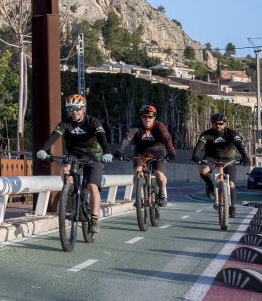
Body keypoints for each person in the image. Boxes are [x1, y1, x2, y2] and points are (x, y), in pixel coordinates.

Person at [36, 94, 112, 234]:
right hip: (73, 156)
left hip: (92, 157)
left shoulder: (93, 122)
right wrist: (42, 149)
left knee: (92, 186)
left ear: (83, 109)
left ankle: (94, 220)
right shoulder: (65, 123)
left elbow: (102, 137)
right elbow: (54, 136)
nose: (73, 112)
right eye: (70, 109)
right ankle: (70, 192)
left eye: (77, 109)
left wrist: (107, 152)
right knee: (64, 169)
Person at [114, 105, 177, 206]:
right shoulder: (136, 126)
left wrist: (172, 152)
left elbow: (167, 139)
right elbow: (127, 138)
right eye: (145, 117)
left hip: (158, 153)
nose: (147, 119)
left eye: (150, 117)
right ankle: (139, 196)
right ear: (141, 117)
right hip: (141, 153)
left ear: (154, 117)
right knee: (137, 172)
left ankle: (161, 194)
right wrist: (120, 151)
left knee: (159, 175)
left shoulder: (159, 126)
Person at [191, 113, 249, 218]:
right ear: (212, 124)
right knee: (203, 170)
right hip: (211, 158)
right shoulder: (206, 134)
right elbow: (199, 145)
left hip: (229, 159)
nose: (218, 126)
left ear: (225, 124)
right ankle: (210, 187)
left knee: (231, 184)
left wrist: (245, 157)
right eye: (215, 124)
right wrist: (195, 155)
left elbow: (239, 145)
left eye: (221, 124)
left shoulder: (231, 133)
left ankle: (232, 208)